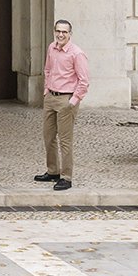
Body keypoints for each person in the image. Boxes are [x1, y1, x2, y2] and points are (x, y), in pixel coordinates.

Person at [35, 18, 89, 191]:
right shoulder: (52, 47)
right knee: (48, 136)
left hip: (66, 100)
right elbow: (48, 70)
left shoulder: (77, 54)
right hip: (51, 97)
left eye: (64, 32)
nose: (60, 34)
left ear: (70, 34)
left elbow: (84, 81)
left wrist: (72, 102)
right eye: (58, 31)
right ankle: (53, 171)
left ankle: (66, 177)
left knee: (65, 140)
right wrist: (46, 91)